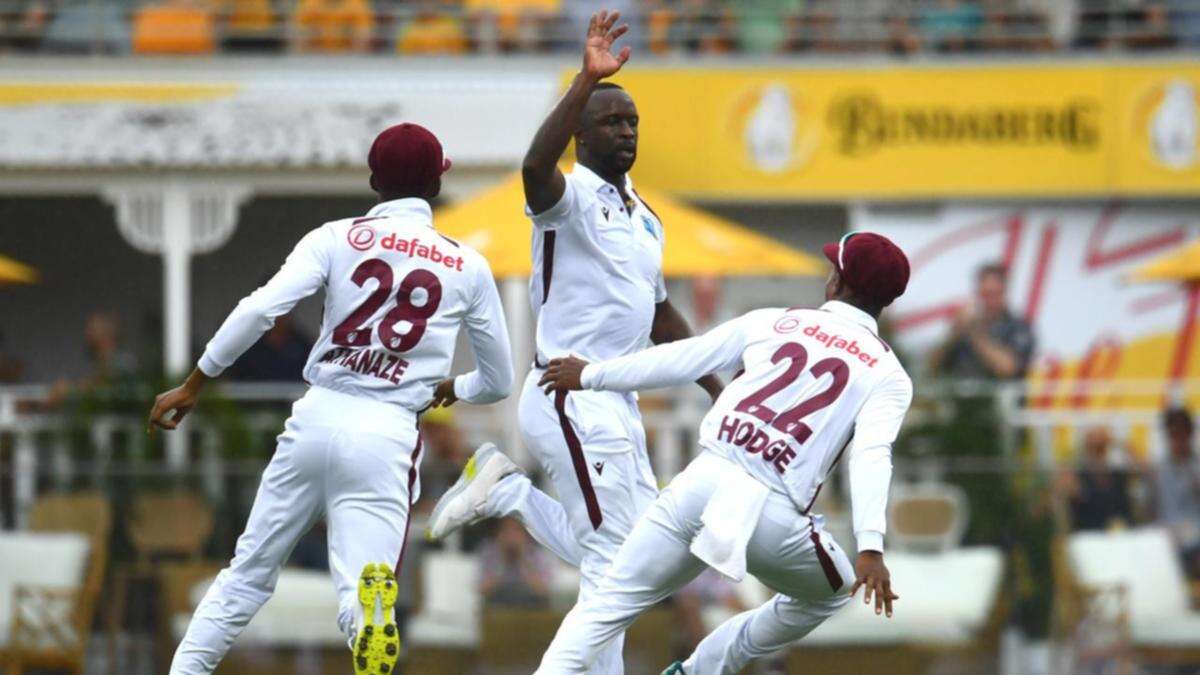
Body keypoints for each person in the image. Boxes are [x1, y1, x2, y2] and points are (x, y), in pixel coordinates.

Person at [148, 122, 513, 675]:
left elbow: (260, 309)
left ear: (373, 180)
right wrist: (453, 387)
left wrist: (197, 380)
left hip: (316, 415)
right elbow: (498, 381)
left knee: (246, 575)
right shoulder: (468, 265)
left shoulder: (335, 237)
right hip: (387, 429)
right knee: (363, 587)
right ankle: (366, 618)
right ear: (438, 185)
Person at [425, 10, 720, 674]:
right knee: (614, 568)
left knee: (653, 556)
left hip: (615, 402)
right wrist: (585, 81)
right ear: (581, 134)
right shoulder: (569, 198)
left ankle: (508, 492)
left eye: (633, 122)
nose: (626, 131)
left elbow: (659, 311)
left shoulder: (645, 214)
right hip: (568, 393)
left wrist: (717, 388)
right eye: (612, 121)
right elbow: (534, 165)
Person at [533, 231, 913, 674]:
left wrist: (591, 374)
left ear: (838, 284)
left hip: (701, 483)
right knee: (831, 592)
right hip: (773, 514)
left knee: (604, 607)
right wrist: (871, 546)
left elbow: (683, 358)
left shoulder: (773, 321)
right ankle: (698, 670)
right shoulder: (889, 373)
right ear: (886, 300)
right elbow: (871, 454)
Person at [930, 262, 1035, 380]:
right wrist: (954, 333)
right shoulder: (965, 325)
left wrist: (975, 334)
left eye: (994, 294)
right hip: (958, 395)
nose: (989, 301)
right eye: (985, 294)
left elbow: (1008, 368)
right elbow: (932, 366)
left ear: (1004, 292)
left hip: (998, 397)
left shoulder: (1018, 327)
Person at [1058, 427, 1137, 531]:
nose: (1098, 453)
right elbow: (1062, 483)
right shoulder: (1080, 478)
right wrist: (1084, 445)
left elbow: (1142, 467)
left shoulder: (1117, 475)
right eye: (1094, 448)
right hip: (1089, 539)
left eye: (1101, 448)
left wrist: (1115, 442)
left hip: (1121, 537)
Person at [1154, 407, 1200, 579]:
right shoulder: (1158, 469)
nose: (1178, 439)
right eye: (1173, 434)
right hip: (1166, 540)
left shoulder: (1196, 466)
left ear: (1190, 434)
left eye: (1182, 433)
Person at [479, 518, 554, 608]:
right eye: (506, 530)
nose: (511, 535)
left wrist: (523, 558)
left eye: (516, 530)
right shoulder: (489, 552)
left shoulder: (537, 554)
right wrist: (503, 560)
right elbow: (483, 590)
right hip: (499, 611)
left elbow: (543, 591)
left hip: (530, 610)